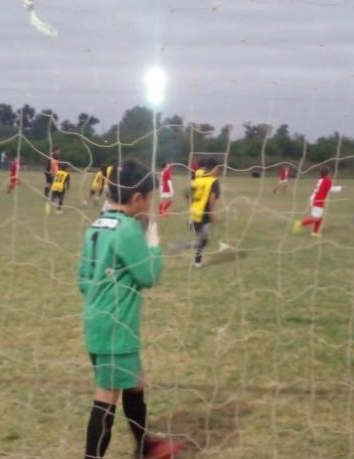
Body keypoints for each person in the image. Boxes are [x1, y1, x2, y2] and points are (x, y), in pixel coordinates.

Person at [77, 159, 183, 459]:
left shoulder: (95, 226)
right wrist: (152, 243)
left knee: (136, 381)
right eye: (150, 198)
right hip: (116, 324)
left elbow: (82, 281)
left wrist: (103, 290)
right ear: (138, 198)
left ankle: (147, 446)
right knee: (107, 395)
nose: (150, 204)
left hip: (96, 319)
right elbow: (148, 276)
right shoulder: (127, 229)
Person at [189, 159, 220, 268]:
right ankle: (197, 262)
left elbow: (190, 195)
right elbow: (212, 198)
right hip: (204, 214)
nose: (218, 171)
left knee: (202, 240)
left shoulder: (197, 178)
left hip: (194, 213)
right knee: (203, 241)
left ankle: (190, 226)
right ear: (212, 169)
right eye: (217, 168)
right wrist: (212, 212)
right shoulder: (213, 181)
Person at [292, 167, 332, 237]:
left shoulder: (320, 180)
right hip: (318, 200)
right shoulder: (327, 180)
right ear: (327, 173)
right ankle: (299, 223)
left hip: (314, 199)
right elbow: (330, 189)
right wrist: (341, 188)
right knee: (316, 218)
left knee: (319, 217)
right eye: (329, 173)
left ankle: (315, 232)